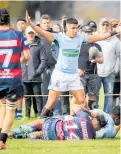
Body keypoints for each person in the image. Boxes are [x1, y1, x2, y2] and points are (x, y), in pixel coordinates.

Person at [26, 11, 121, 118]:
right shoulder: (59, 37)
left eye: (76, 28)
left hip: (73, 76)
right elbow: (42, 32)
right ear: (66, 28)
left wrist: (114, 32)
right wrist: (30, 24)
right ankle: (41, 122)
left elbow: (98, 37)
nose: (75, 30)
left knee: (82, 101)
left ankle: (80, 123)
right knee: (51, 102)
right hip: (60, 74)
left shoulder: (80, 38)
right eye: (73, 28)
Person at [0, 9, 30, 149]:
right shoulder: (18, 34)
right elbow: (27, 57)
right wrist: (19, 59)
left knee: (2, 106)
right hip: (13, 79)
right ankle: (2, 140)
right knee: (10, 109)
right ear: (8, 19)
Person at [8, 104, 107, 140]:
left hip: (53, 124)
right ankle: (21, 137)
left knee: (37, 123)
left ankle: (14, 132)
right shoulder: (91, 137)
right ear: (100, 128)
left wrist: (89, 113)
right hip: (55, 136)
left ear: (95, 118)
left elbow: (75, 106)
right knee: (40, 134)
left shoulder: (85, 118)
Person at [96, 18, 120, 113]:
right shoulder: (95, 38)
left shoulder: (115, 41)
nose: (105, 27)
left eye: (107, 25)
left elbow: (119, 55)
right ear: (99, 26)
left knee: (109, 95)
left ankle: (106, 117)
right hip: (96, 73)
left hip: (110, 73)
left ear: (110, 27)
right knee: (95, 95)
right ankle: (96, 115)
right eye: (103, 25)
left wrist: (116, 69)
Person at [23, 26, 47, 118]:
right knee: (27, 96)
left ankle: (39, 114)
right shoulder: (22, 45)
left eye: (32, 33)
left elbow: (43, 60)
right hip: (24, 75)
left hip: (35, 75)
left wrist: (38, 72)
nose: (31, 35)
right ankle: (27, 115)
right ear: (26, 34)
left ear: (35, 33)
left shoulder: (40, 45)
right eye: (29, 33)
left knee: (38, 96)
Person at [78, 24, 103, 110]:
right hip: (81, 75)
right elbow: (71, 59)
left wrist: (96, 60)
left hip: (93, 74)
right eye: (86, 32)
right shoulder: (78, 45)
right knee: (80, 98)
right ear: (82, 33)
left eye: (90, 32)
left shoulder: (96, 46)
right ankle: (79, 116)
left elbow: (102, 60)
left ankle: (91, 114)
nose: (89, 34)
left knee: (92, 97)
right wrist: (77, 69)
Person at [16, 18, 28, 120]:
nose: (21, 26)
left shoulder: (30, 36)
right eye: (19, 24)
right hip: (16, 67)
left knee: (22, 92)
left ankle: (19, 112)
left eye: (22, 24)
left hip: (28, 67)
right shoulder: (14, 36)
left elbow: (28, 55)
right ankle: (17, 112)